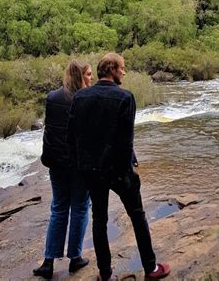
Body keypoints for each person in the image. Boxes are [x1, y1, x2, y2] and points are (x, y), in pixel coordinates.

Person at [67, 53, 170, 281]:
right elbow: (126, 142)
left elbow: (72, 136)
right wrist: (128, 173)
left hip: (90, 170)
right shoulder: (125, 97)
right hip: (117, 171)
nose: (124, 72)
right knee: (138, 216)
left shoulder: (80, 97)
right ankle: (151, 268)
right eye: (122, 68)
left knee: (99, 221)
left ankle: (105, 275)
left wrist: (81, 167)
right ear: (112, 69)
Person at [33, 61, 94, 279]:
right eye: (88, 74)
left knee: (58, 208)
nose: (92, 78)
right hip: (79, 165)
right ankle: (75, 258)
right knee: (79, 208)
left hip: (57, 163)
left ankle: (48, 262)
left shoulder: (52, 97)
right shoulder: (86, 99)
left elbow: (51, 130)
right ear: (80, 76)